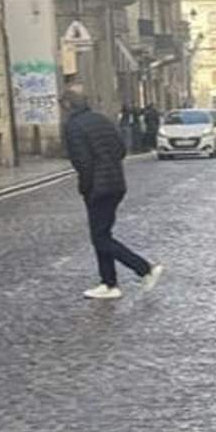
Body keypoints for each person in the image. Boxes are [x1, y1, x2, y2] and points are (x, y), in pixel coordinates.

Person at [61, 86, 160, 300]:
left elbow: (83, 162)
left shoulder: (73, 126)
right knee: (102, 234)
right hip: (116, 183)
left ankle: (144, 269)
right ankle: (108, 284)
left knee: (100, 238)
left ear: (68, 105)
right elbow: (120, 150)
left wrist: (87, 187)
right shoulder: (102, 119)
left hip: (98, 187)